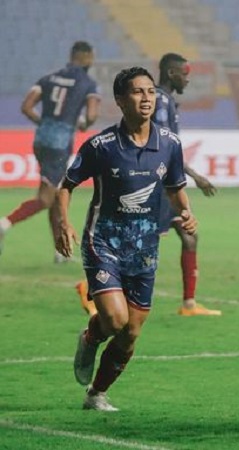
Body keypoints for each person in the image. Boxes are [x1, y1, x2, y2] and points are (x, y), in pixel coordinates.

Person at [55, 66, 197, 411]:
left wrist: (187, 213)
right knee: (115, 320)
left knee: (131, 332)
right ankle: (91, 337)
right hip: (103, 242)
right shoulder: (101, 146)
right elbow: (66, 186)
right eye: (137, 92)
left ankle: (97, 393)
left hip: (145, 248)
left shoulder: (170, 145)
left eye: (150, 91)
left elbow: (176, 188)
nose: (146, 98)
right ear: (120, 100)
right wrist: (63, 223)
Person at [74, 53, 220, 317]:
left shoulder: (165, 100)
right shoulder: (161, 102)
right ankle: (92, 285)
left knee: (188, 236)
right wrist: (195, 176)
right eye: (184, 73)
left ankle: (188, 303)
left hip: (160, 186)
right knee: (144, 238)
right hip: (156, 188)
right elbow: (159, 148)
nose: (188, 79)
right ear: (172, 73)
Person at [0, 41, 100, 260]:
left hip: (41, 138)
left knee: (56, 195)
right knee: (46, 198)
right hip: (60, 143)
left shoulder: (48, 78)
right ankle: (5, 223)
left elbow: (26, 107)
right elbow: (91, 116)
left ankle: (60, 251)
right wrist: (80, 124)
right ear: (83, 57)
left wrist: (44, 123)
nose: (92, 61)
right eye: (91, 57)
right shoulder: (87, 83)